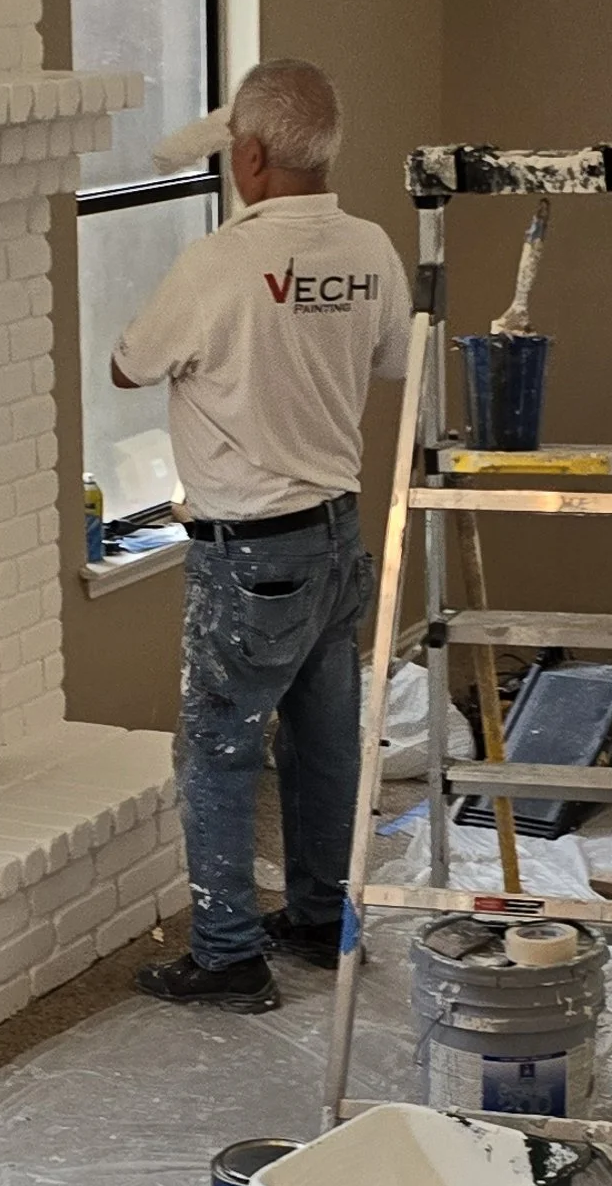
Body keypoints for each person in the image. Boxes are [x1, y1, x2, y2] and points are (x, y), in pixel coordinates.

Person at [111, 57, 411, 1011]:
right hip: (335, 538)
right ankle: (321, 919)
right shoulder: (370, 247)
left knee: (217, 750)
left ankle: (230, 955)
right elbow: (394, 359)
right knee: (323, 743)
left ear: (246, 157)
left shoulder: (218, 265)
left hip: (248, 554)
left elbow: (127, 365)